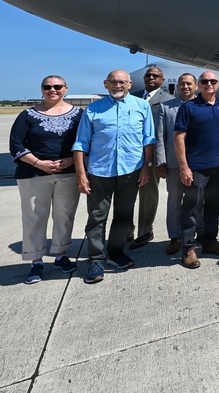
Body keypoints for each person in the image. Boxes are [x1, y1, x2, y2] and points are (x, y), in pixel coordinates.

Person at [72, 70, 154, 284]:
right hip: (100, 171)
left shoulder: (142, 106)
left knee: (124, 216)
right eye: (113, 82)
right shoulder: (93, 109)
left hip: (130, 170)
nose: (118, 86)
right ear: (106, 84)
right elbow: (81, 144)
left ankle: (116, 252)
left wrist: (146, 167)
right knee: (97, 216)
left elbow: (148, 139)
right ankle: (96, 258)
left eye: (122, 82)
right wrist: (81, 174)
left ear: (129, 84)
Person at [10, 75, 83, 284]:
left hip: (67, 174)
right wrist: (38, 163)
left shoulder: (79, 115)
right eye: (48, 87)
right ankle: (36, 261)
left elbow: (87, 141)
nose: (53, 90)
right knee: (34, 217)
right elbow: (16, 144)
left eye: (57, 86)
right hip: (33, 174)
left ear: (66, 89)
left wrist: (71, 160)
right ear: (41, 89)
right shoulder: (28, 115)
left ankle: (61, 255)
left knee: (64, 215)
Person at [175, 71, 219, 268]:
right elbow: (179, 138)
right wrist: (184, 167)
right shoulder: (188, 107)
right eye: (205, 81)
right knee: (191, 206)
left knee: (214, 205)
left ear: (218, 85)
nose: (209, 83)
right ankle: (189, 248)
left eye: (213, 81)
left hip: (218, 167)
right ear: (199, 85)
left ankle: (209, 241)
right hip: (196, 168)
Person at [130, 65, 176, 250]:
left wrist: (163, 158)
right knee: (127, 194)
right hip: (132, 152)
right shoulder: (132, 97)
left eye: (155, 76)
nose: (151, 78)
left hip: (155, 153)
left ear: (162, 80)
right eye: (148, 75)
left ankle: (144, 231)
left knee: (148, 194)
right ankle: (126, 231)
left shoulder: (170, 100)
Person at [155, 73, 200, 255]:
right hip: (174, 163)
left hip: (198, 163)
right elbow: (160, 136)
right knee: (174, 200)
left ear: (196, 86)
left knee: (197, 201)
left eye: (189, 84)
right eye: (182, 84)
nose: (185, 87)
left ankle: (195, 235)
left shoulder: (203, 105)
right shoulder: (166, 108)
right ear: (177, 87)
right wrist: (161, 161)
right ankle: (175, 236)